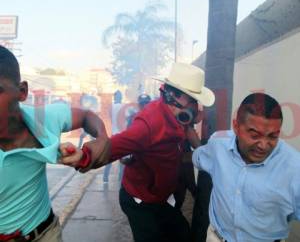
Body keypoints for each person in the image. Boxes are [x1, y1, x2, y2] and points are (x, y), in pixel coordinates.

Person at [62, 62, 215, 242]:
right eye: (192, 100)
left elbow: (185, 138)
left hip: (162, 198)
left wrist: (202, 151)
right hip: (141, 202)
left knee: (181, 234)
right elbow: (113, 146)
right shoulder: (149, 124)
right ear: (173, 96)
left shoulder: (178, 118)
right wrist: (84, 156)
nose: (195, 106)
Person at [0, 45, 107, 242]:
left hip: (47, 234)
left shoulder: (41, 120)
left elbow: (85, 116)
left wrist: (101, 139)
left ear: (22, 91)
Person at [192, 93, 300, 242]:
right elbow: (198, 157)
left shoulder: (295, 169)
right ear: (236, 126)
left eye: (272, 136)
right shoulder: (218, 144)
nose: (263, 145)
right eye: (255, 135)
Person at [103, 90, 125, 183]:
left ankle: (105, 177)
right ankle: (121, 178)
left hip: (113, 135)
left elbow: (110, 118)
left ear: (114, 97)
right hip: (122, 135)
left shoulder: (111, 107)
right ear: (121, 98)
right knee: (122, 158)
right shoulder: (124, 107)